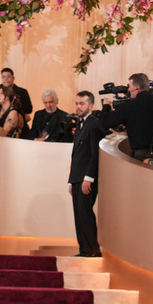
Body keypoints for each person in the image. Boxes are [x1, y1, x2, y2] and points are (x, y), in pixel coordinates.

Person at [99, 72, 153, 160]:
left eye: (129, 86)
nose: (128, 89)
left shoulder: (129, 106)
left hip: (141, 156)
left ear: (137, 88)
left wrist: (106, 106)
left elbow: (105, 122)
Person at [69, 91, 104, 258]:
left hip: (86, 178)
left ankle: (91, 249)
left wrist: (88, 178)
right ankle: (85, 249)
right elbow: (76, 155)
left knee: (84, 212)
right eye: (76, 103)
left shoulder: (94, 123)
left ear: (91, 105)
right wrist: (71, 180)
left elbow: (95, 154)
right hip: (77, 177)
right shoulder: (81, 124)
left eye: (81, 104)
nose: (78, 107)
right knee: (79, 213)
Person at [0, 67, 33, 133]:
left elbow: (29, 109)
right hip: (1, 123)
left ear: (13, 78)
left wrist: (15, 107)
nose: (6, 79)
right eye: (3, 77)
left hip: (18, 124)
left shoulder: (22, 91)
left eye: (8, 77)